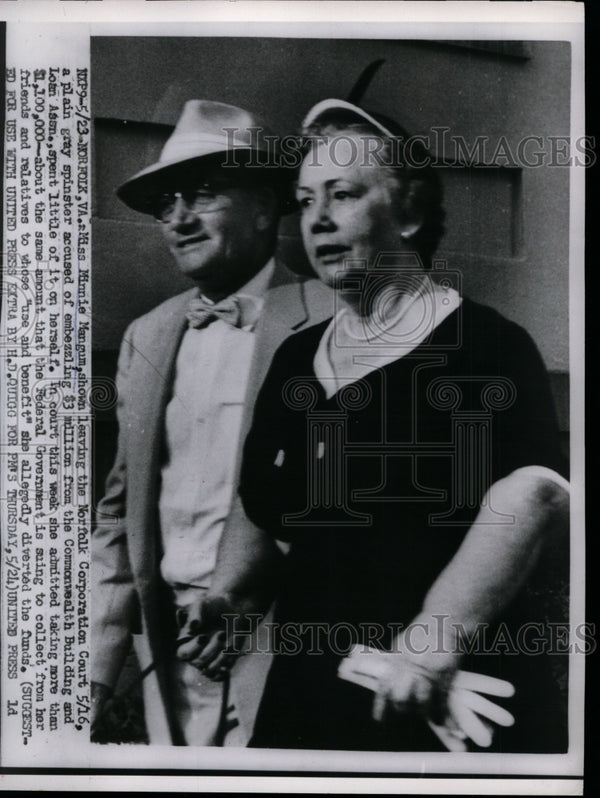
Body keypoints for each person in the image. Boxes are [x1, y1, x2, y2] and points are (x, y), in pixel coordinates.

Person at [199, 98, 570, 752]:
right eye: (305, 199)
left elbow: (534, 491)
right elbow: (262, 502)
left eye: (341, 195)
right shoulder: (295, 357)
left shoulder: (488, 346)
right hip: (311, 692)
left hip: (449, 694)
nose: (316, 220)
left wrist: (431, 644)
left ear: (411, 212)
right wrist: (228, 600)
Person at [90, 99, 332, 746]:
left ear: (264, 206)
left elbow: (344, 498)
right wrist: (95, 670)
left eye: (201, 194)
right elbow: (118, 513)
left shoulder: (331, 318)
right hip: (164, 644)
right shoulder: (150, 335)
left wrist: (250, 597)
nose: (179, 219)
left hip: (284, 640)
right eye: (166, 203)